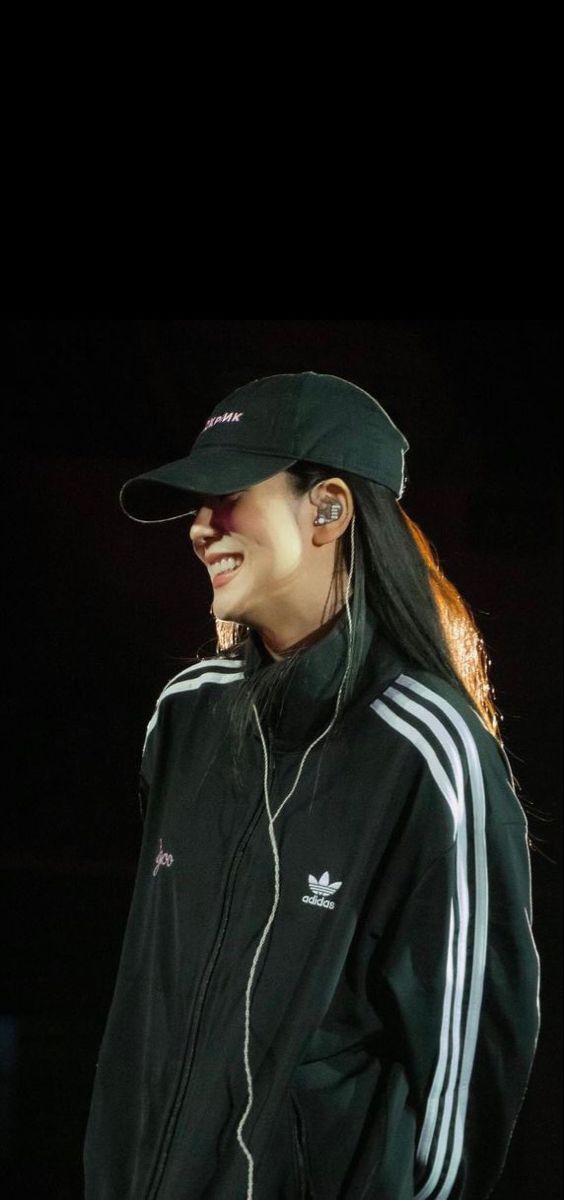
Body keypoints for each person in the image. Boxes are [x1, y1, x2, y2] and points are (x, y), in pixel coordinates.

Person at [84, 372, 540, 1200]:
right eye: (195, 505)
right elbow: (150, 1008)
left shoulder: (429, 751)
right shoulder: (184, 716)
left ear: (328, 509)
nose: (199, 527)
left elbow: (467, 1072)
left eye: (227, 495)